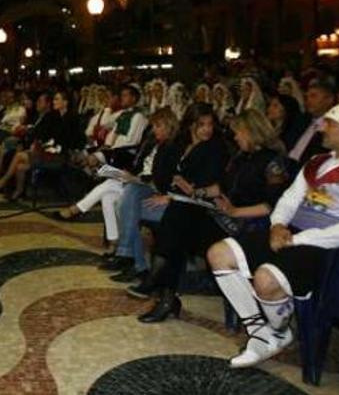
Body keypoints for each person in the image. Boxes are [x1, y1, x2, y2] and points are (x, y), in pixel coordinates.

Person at [206, 103, 339, 368]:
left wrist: (295, 240)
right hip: (290, 234)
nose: (322, 126)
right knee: (218, 253)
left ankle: (277, 332)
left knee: (265, 279)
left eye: (330, 122)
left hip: (329, 248)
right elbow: (287, 200)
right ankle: (262, 331)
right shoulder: (317, 163)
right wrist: (277, 225)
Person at [133, 109, 291, 321]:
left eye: (239, 132)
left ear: (251, 132)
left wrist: (235, 211)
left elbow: (273, 205)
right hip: (221, 214)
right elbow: (221, 187)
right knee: (178, 214)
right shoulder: (241, 157)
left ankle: (164, 291)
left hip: (246, 223)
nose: (235, 137)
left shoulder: (273, 163)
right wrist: (197, 192)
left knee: (176, 224)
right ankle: (167, 295)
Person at [125, 103, 230, 299]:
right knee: (137, 209)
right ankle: (156, 282)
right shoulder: (181, 143)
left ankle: (155, 280)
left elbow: (212, 185)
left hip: (203, 206)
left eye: (210, 124)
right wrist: (172, 192)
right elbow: (165, 174)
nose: (207, 129)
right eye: (201, 124)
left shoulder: (215, 148)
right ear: (190, 125)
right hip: (179, 201)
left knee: (173, 219)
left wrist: (183, 193)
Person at [105, 108, 186, 281]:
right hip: (146, 186)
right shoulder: (155, 143)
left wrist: (138, 179)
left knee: (126, 208)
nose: (154, 130)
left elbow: (163, 181)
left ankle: (132, 260)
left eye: (157, 126)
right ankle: (133, 260)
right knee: (125, 199)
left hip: (164, 195)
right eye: (153, 126)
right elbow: (143, 167)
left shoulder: (173, 147)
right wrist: (134, 176)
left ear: (168, 126)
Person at [287, 82, 335, 166]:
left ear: (329, 100)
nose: (308, 100)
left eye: (313, 96)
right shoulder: (301, 120)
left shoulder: (333, 127)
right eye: (306, 97)